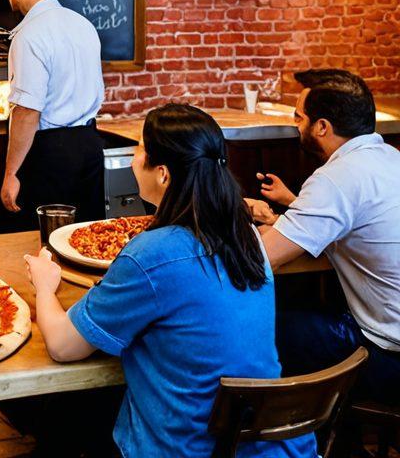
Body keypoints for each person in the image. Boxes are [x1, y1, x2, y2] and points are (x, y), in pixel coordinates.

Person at [25, 103, 315, 458]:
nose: (134, 158)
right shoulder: (248, 236)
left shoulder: (151, 252)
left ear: (162, 174)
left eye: (140, 148)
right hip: (267, 443)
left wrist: (44, 285)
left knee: (63, 415)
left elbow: (62, 346)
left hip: (187, 447)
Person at [249, 68, 400, 402]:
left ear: (321, 127)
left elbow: (259, 259)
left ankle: (286, 430)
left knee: (258, 328)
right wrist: (287, 212)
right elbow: (354, 223)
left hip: (389, 357)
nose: (295, 125)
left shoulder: (335, 177)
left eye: (299, 117)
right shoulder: (391, 158)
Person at [2, 0, 104, 229]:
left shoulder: (29, 35)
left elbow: (27, 112)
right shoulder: (84, 25)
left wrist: (11, 173)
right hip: (90, 144)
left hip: (50, 154)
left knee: (45, 240)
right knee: (86, 235)